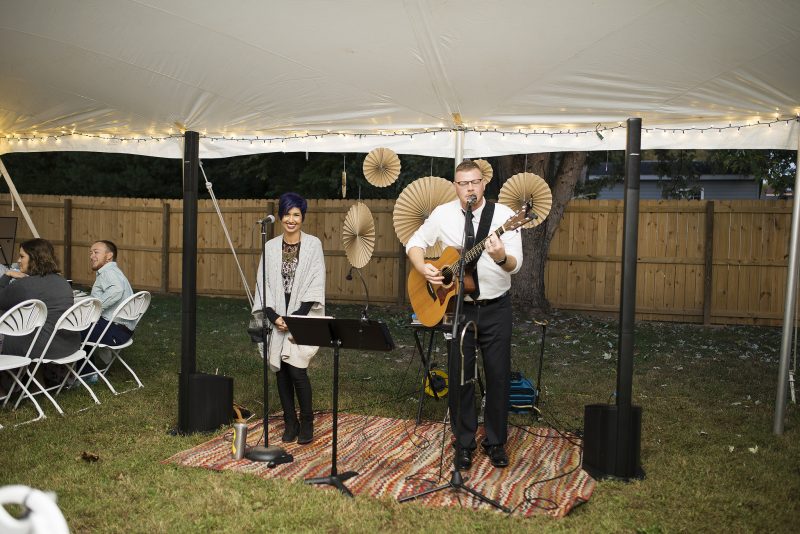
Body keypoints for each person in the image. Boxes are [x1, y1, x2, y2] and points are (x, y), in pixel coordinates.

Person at [406, 160, 523, 470]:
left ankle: (496, 441)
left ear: (483, 183)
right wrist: (424, 268)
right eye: (462, 183)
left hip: (495, 308)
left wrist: (500, 257)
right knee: (460, 378)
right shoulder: (443, 214)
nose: (469, 188)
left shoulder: (505, 216)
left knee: (498, 376)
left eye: (474, 182)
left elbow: (516, 265)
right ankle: (464, 442)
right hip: (459, 308)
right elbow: (415, 243)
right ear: (455, 186)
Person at [252, 192, 326, 444]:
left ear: (302, 217)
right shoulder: (270, 247)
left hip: (301, 316)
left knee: (297, 370)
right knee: (280, 372)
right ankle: (289, 422)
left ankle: (307, 422)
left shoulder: (314, 244)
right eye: (287, 214)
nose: (291, 219)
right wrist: (273, 317)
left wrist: (296, 317)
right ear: (281, 216)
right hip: (277, 317)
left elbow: (316, 282)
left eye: (296, 214)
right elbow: (264, 284)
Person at [0, 238, 80, 387]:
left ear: (35, 258)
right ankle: (38, 381)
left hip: (41, 346)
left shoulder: (25, 285)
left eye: (22, 256)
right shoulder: (62, 282)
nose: (18, 260)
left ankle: (7, 387)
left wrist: (8, 275)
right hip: (68, 343)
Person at [83, 240, 134, 346]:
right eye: (90, 253)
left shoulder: (108, 272)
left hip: (114, 331)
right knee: (79, 325)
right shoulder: (114, 271)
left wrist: (94, 309)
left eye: (96, 252)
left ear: (109, 256)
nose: (91, 256)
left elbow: (117, 290)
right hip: (124, 331)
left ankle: (57, 360)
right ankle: (84, 362)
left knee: (68, 331)